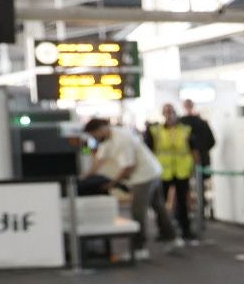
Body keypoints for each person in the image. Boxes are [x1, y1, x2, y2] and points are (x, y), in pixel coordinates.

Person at [82, 116, 169, 261]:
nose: (94, 138)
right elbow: (99, 160)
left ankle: (139, 248)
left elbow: (129, 166)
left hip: (145, 176)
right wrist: (86, 176)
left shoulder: (122, 139)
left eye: (94, 135)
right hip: (151, 172)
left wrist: (113, 183)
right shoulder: (107, 139)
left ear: (100, 130)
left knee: (138, 211)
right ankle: (171, 236)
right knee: (158, 205)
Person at [149, 103, 197, 245]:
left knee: (183, 202)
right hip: (163, 172)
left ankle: (186, 230)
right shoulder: (155, 131)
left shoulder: (185, 130)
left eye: (172, 112)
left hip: (181, 171)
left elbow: (193, 149)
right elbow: (151, 151)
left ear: (176, 113)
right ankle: (164, 230)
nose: (169, 115)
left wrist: (194, 166)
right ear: (163, 114)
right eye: (167, 112)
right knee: (160, 203)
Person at [178, 98, 216, 221]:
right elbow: (212, 141)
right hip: (202, 159)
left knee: (185, 188)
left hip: (183, 162)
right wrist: (202, 151)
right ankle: (201, 211)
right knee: (200, 186)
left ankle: (189, 212)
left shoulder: (180, 123)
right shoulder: (202, 122)